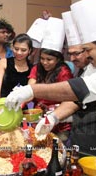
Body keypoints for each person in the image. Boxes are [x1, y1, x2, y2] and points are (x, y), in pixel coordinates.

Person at [5, 0, 96, 159]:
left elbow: (79, 89)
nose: (86, 55)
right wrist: (54, 118)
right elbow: (76, 98)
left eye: (88, 49)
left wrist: (31, 90)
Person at [61, 11, 96, 158]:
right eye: (70, 53)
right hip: (80, 134)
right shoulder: (83, 69)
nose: (72, 58)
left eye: (78, 53)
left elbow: (77, 95)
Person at [28, 17, 73, 145]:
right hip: (39, 117)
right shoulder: (37, 68)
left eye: (49, 59)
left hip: (60, 121)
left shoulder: (64, 72)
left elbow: (68, 97)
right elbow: (30, 88)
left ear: (58, 59)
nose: (45, 62)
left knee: (56, 150)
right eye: (42, 58)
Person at [0, 33, 32, 99]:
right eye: (16, 49)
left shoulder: (32, 68)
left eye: (23, 50)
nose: (19, 52)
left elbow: (30, 93)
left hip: (23, 105)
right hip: (3, 103)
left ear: (29, 50)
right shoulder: (3, 63)